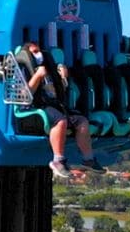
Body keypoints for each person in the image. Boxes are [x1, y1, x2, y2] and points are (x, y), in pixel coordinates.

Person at [22, 40, 103, 177]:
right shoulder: (25, 69)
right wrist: (38, 75)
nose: (39, 54)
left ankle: (88, 159)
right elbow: (24, 95)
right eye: (35, 52)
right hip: (37, 107)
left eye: (39, 51)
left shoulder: (49, 68)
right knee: (60, 121)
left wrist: (63, 78)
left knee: (81, 121)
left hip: (55, 105)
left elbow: (58, 91)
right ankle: (58, 160)